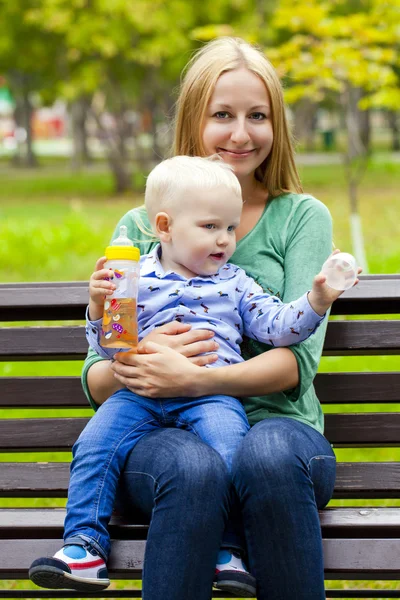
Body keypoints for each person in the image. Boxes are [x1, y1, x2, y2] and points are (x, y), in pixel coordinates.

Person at [37, 36, 354, 600]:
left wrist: (197, 378)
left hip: (282, 432)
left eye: (257, 116)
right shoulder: (142, 226)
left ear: (276, 125)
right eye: (222, 115)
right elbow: (97, 373)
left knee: (268, 453)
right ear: (192, 120)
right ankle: (84, 548)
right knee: (193, 466)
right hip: (154, 424)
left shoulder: (300, 217)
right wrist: (139, 357)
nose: (240, 133)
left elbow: (291, 365)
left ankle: (234, 554)